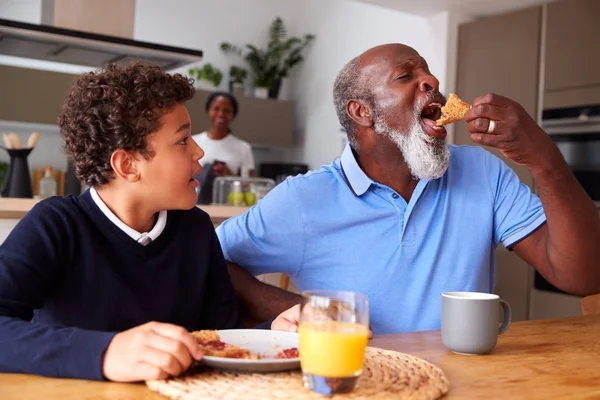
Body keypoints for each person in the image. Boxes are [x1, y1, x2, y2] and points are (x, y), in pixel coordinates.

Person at [216, 43, 600, 335]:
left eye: (429, 73)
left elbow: (584, 277)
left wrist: (542, 157)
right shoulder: (304, 200)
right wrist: (296, 307)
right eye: (405, 76)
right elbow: (210, 257)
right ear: (362, 112)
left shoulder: (482, 171)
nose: (432, 82)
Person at [0, 64, 284, 382]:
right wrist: (106, 352)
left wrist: (278, 331)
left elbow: (219, 338)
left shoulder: (195, 229)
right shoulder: (56, 225)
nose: (199, 151)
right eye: (182, 140)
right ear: (127, 165)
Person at [192, 92, 255, 177]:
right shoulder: (193, 142)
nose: (221, 114)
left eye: (227, 111)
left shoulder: (243, 147)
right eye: (216, 109)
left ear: (233, 114)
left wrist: (229, 176)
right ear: (208, 110)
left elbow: (249, 183)